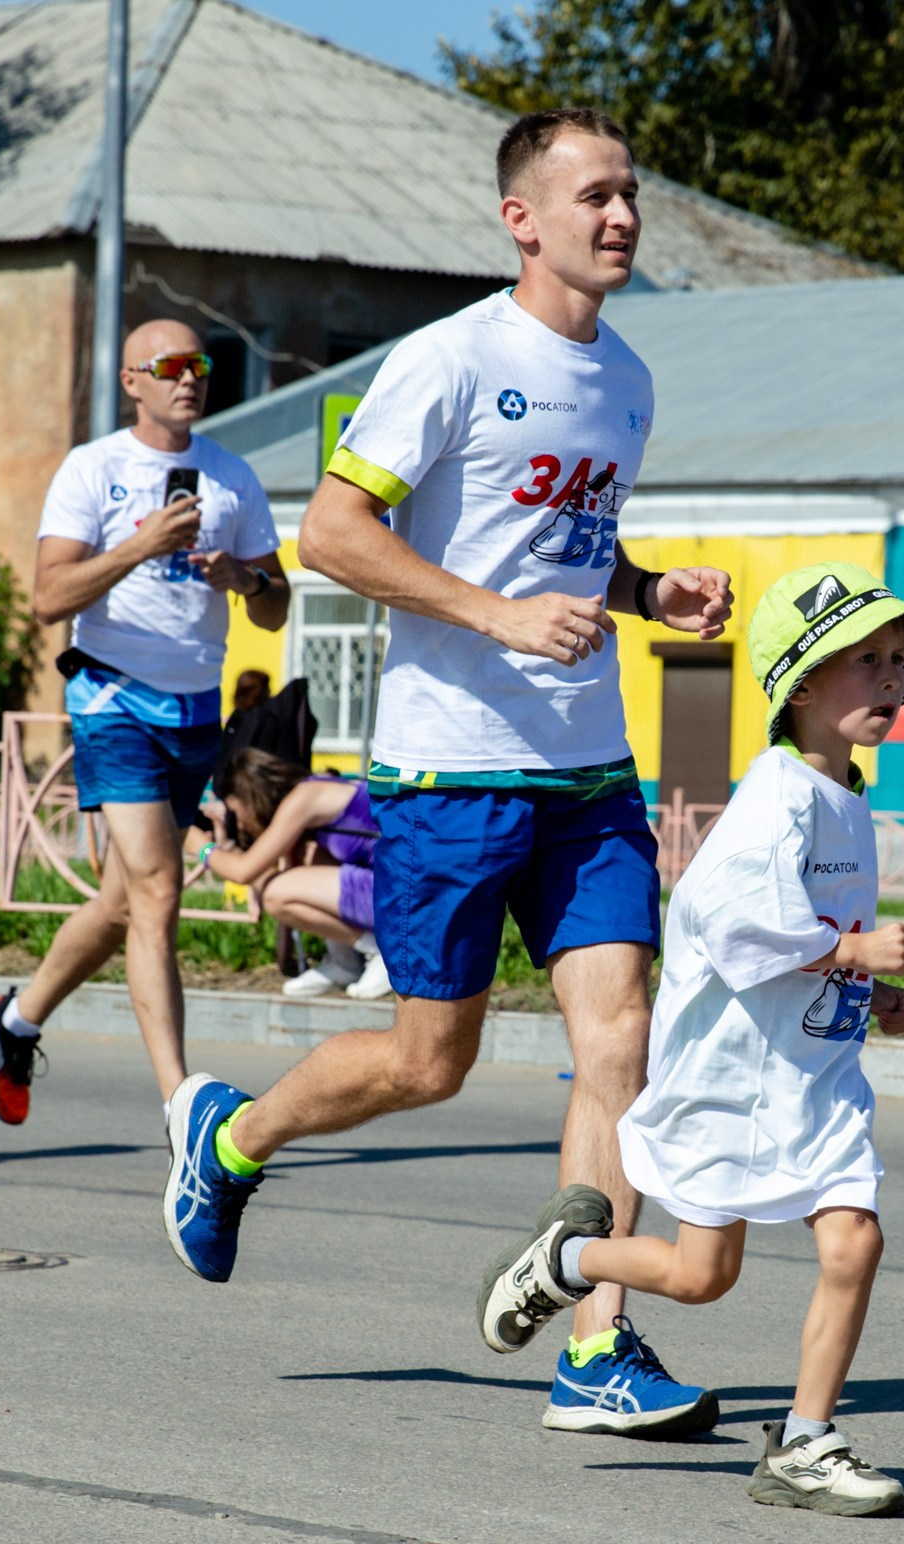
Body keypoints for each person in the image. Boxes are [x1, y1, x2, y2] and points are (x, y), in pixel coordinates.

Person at [156, 107, 739, 1440]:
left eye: (633, 194)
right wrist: (494, 615)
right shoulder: (449, 362)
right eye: (593, 195)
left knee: (620, 1048)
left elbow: (569, 553)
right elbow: (332, 534)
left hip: (587, 771)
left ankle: (596, 1345)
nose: (622, 217)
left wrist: (651, 590)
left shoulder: (631, 381)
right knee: (432, 1061)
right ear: (520, 218)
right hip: (450, 773)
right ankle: (231, 1139)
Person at [474, 563, 904, 1516]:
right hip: (734, 1086)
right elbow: (726, 922)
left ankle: (804, 1445)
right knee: (701, 1275)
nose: (890, 679)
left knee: (855, 1241)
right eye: (866, 661)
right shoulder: (778, 793)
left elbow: (802, 940)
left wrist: (867, 988)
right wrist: (851, 949)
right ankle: (569, 1262)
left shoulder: (843, 796)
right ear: (802, 683)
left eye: (899, 661)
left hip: (811, 1085)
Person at [0, 320, 288, 1123]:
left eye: (201, 365)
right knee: (157, 890)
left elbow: (278, 607)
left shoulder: (230, 477)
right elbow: (48, 598)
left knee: (121, 902)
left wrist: (242, 578)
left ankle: (14, 1018)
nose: (190, 379)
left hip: (194, 709)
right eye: (170, 366)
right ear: (132, 381)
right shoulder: (94, 469)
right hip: (112, 697)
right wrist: (140, 546)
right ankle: (181, 1103)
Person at [195, 743, 392, 1001]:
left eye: (236, 812)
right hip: (393, 889)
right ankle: (344, 963)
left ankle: (382, 955)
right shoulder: (313, 790)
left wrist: (201, 847)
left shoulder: (304, 798)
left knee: (277, 893)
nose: (240, 823)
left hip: (402, 895)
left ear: (250, 795)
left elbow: (244, 871)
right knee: (305, 863)